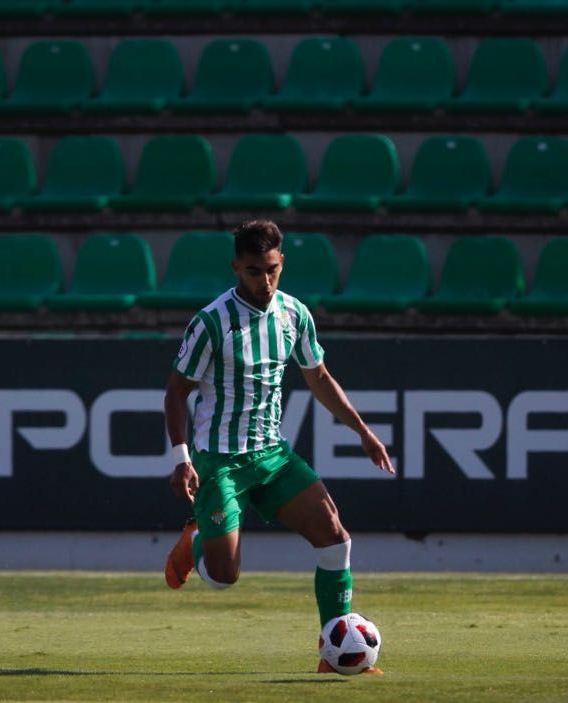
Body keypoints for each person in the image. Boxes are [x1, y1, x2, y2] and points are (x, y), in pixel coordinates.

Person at [162, 219, 395, 674]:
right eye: (253, 271)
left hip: (273, 455)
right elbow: (176, 392)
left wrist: (363, 431)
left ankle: (334, 654)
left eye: (271, 269)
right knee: (226, 577)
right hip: (221, 461)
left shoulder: (294, 314)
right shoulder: (212, 323)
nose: (264, 281)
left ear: (282, 262)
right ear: (235, 268)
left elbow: (320, 379)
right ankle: (196, 542)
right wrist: (181, 459)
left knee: (334, 537)